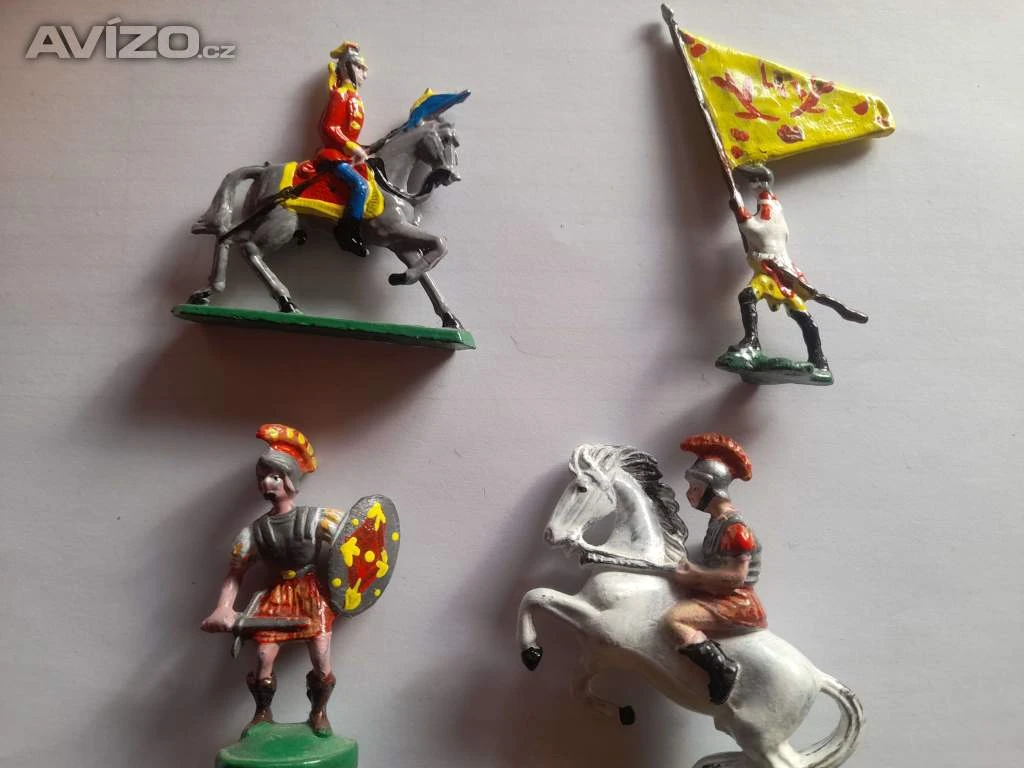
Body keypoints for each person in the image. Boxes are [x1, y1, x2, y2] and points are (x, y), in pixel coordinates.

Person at [200, 424, 345, 736]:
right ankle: (262, 713)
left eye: (275, 476)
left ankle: (319, 713)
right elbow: (235, 573)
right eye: (263, 476)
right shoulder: (254, 532)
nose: (268, 482)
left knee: (321, 658)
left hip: (311, 595)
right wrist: (224, 607)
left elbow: (351, 550)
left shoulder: (316, 519)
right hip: (277, 597)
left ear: (290, 479)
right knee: (264, 656)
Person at [664, 433, 766, 705]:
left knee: (675, 619)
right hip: (721, 595)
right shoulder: (717, 523)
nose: (690, 494)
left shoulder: (735, 529)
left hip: (738, 601)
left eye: (695, 488)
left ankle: (722, 668)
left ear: (713, 489)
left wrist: (696, 575)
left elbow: (736, 577)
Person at [728, 164, 829, 375]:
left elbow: (762, 232)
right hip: (771, 272)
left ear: (762, 183)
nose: (752, 185)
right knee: (798, 312)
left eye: (754, 181)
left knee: (753, 298)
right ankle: (816, 357)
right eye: (751, 181)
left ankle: (816, 359)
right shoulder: (770, 205)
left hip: (775, 272)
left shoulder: (770, 209)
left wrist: (739, 211)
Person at [319, 41, 372, 258]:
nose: (364, 75)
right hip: (333, 156)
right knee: (361, 186)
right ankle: (347, 233)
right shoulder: (340, 95)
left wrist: (361, 148)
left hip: (347, 156)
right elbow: (329, 128)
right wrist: (351, 147)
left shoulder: (355, 98)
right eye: (360, 68)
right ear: (348, 68)